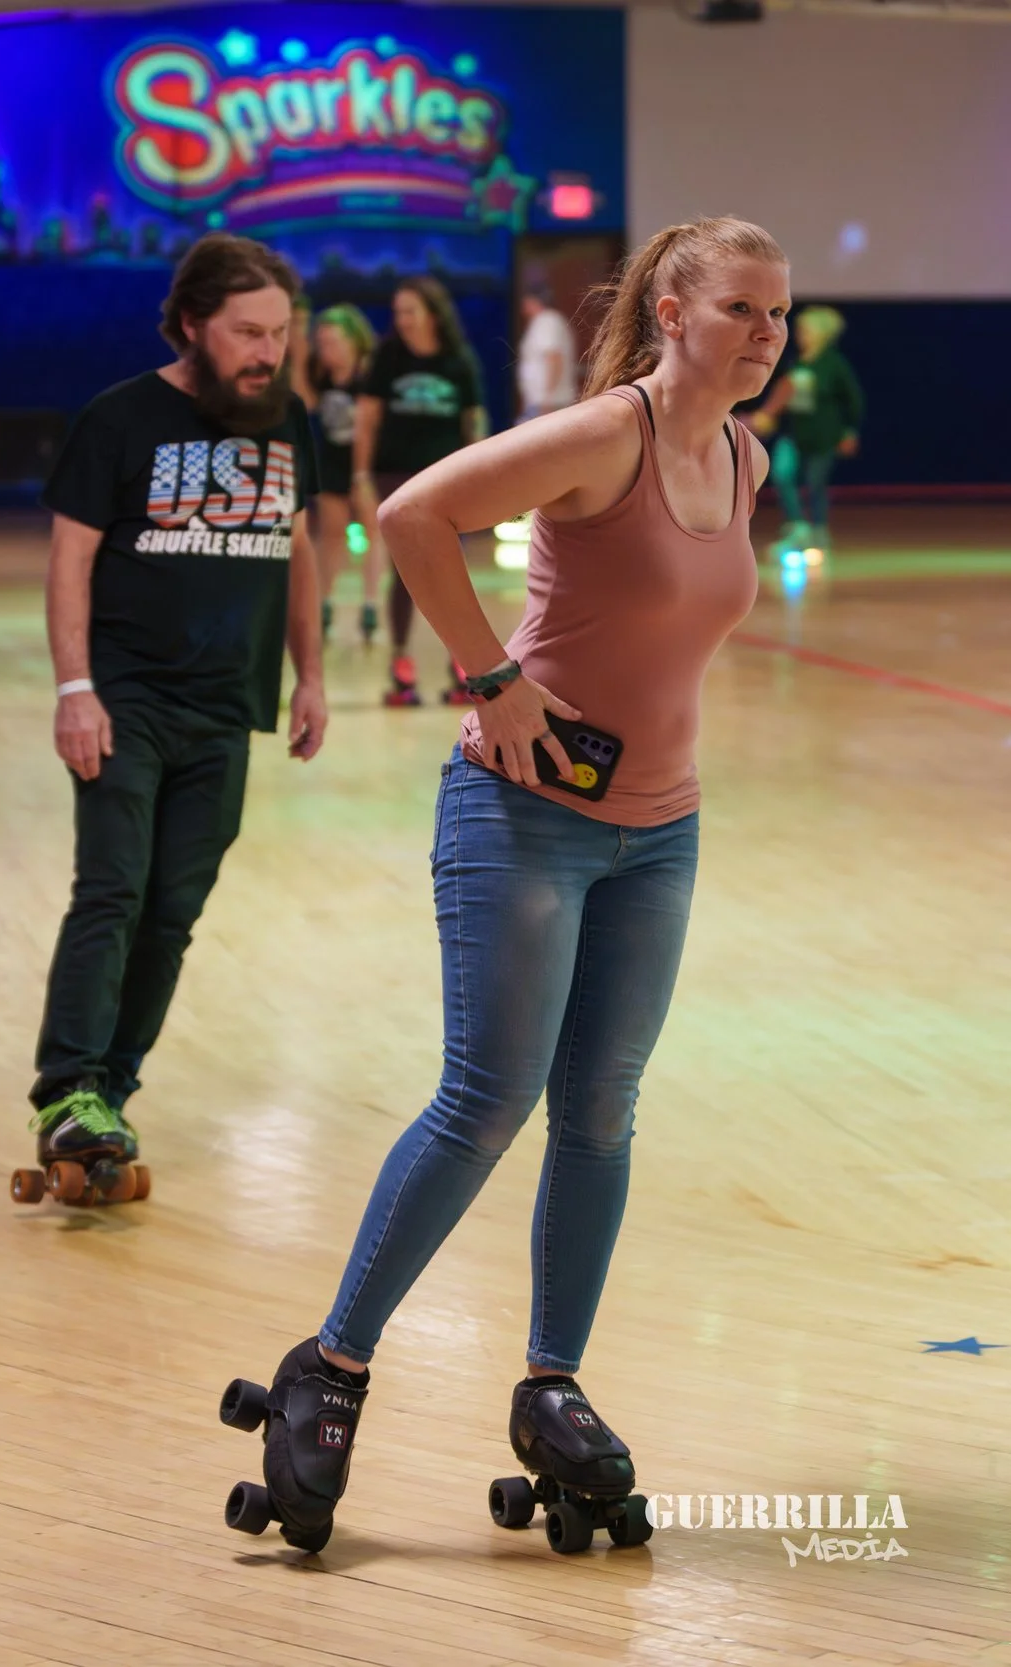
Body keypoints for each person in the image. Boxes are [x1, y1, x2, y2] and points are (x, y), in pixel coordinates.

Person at [222, 217, 780, 1559]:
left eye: (781, 315)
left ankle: (551, 1384)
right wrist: (489, 675)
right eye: (743, 311)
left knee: (600, 1108)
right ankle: (331, 1368)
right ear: (670, 310)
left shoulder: (746, 455)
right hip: (522, 814)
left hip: (660, 829)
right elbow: (417, 515)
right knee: (490, 1096)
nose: (768, 336)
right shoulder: (609, 434)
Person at [16, 233, 328, 1197]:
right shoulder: (121, 419)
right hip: (126, 701)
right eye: (246, 331)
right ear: (193, 323)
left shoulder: (288, 422)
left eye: (278, 331)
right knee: (111, 889)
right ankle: (67, 1086)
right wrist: (75, 688)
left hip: (226, 709)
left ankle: (112, 1087)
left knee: (173, 914)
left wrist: (309, 674)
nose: (266, 351)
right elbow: (69, 559)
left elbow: (299, 547)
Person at [354, 275, 486, 705]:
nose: (403, 320)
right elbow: (367, 419)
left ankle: (463, 661)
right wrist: (361, 476)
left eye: (411, 311)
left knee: (452, 569)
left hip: (447, 478)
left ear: (432, 314)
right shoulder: (388, 357)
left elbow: (474, 423)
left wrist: (480, 473)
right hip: (397, 475)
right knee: (405, 572)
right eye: (398, 313)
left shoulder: (458, 360)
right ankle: (401, 659)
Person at [749, 304, 861, 560]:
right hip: (794, 433)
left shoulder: (834, 365)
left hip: (823, 436)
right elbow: (786, 394)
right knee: (781, 473)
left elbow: (853, 400)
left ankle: (819, 530)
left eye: (804, 329)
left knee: (815, 482)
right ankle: (797, 525)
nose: (799, 334)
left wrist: (849, 432)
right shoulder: (796, 362)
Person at [308, 304, 380, 641]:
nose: (326, 350)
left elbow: (370, 427)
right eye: (321, 343)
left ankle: (371, 605)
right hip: (331, 463)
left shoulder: (368, 375)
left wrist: (362, 475)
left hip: (364, 465)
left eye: (333, 342)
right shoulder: (319, 374)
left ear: (353, 341)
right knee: (331, 533)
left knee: (372, 532)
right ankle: (325, 603)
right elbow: (305, 400)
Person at [516, 280, 579, 424]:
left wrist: (547, 399)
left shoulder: (548, 321)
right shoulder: (545, 321)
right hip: (542, 402)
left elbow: (554, 358)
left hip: (550, 404)